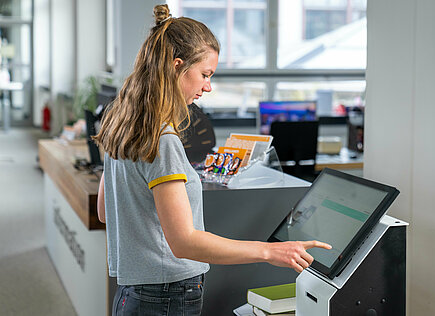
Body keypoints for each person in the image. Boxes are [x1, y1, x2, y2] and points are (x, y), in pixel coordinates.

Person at [94, 4, 332, 316]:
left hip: (133, 292)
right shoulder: (163, 140)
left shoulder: (123, 124)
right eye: (205, 74)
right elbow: (183, 243)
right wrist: (268, 251)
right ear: (177, 66)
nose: (208, 86)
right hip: (167, 294)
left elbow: (104, 210)